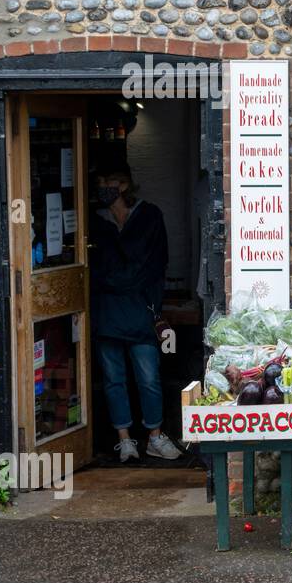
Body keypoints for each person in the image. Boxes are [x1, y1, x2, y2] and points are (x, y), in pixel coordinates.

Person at [90, 162, 181, 462]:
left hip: (141, 311)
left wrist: (119, 280)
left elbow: (155, 264)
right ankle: (124, 439)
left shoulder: (149, 216)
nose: (104, 187)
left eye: (109, 180)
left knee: (149, 378)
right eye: (100, 181)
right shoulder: (96, 222)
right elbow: (95, 270)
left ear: (124, 185)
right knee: (114, 379)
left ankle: (154, 435)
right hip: (108, 313)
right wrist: (123, 278)